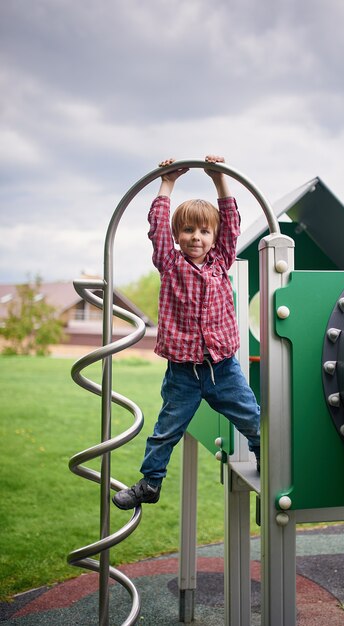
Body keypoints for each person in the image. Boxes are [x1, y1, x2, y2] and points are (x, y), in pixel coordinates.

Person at [113, 155, 260, 510]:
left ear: (213, 236)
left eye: (204, 231)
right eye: (189, 231)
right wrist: (167, 182)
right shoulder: (170, 263)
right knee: (166, 430)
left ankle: (268, 461)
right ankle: (150, 483)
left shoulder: (221, 260)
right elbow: (157, 227)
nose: (197, 237)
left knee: (252, 418)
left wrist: (219, 179)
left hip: (223, 369)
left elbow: (232, 224)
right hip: (183, 372)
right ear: (178, 236)